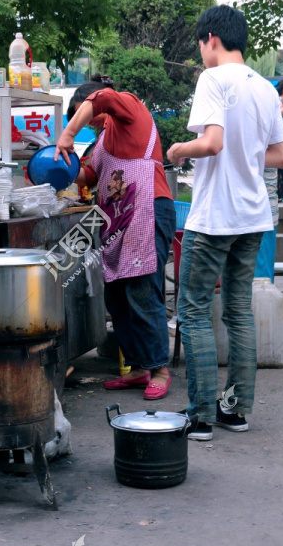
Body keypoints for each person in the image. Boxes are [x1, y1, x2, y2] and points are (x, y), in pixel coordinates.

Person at [166, 5, 283, 441]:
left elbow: (212, 143)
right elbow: (279, 156)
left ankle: (199, 417)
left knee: (193, 309)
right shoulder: (264, 87)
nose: (201, 53)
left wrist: (180, 148)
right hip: (253, 216)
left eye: (201, 45)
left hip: (215, 215)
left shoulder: (212, 79)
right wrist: (246, 153)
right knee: (238, 311)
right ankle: (234, 412)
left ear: (211, 39)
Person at [55, 74, 176, 400]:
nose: (87, 124)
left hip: (148, 211)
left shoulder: (129, 107)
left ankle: (160, 369)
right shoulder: (102, 141)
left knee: (142, 291)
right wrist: (62, 168)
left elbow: (102, 100)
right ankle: (138, 367)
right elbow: (90, 176)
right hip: (118, 222)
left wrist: (67, 134)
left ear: (93, 102)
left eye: (84, 116)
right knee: (118, 296)